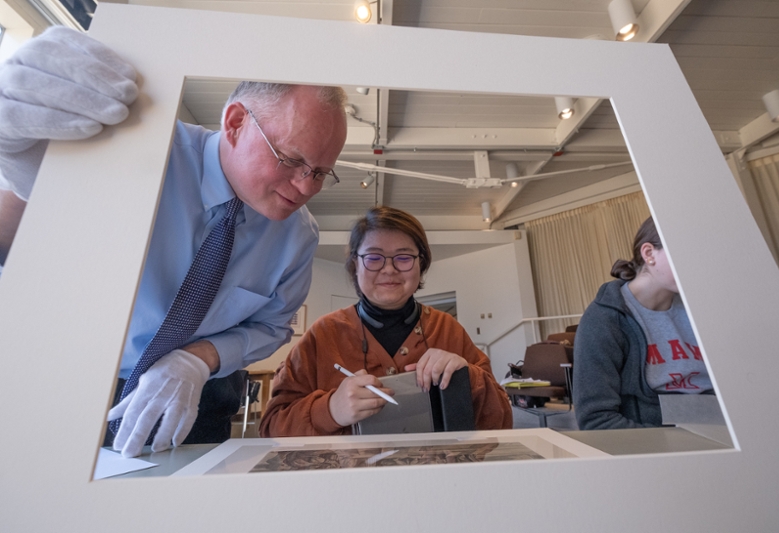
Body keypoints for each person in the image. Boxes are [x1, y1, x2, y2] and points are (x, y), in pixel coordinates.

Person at [0, 27, 348, 456]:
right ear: (236, 123)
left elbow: (272, 326)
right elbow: (18, 234)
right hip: (66, 383)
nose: (306, 186)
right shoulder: (135, 149)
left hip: (197, 400)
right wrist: (17, 152)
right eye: (293, 160)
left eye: (320, 172)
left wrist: (199, 358)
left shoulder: (298, 236)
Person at [260, 206, 512, 437]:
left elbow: (502, 419)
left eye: (403, 257)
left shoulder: (448, 329)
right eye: (373, 257)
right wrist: (329, 410)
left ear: (420, 264)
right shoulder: (322, 335)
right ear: (354, 266)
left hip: (436, 478)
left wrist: (468, 378)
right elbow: (271, 430)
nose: (389, 269)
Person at [573, 216, 713, 430]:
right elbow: (597, 420)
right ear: (649, 254)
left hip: (725, 434)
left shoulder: (704, 308)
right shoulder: (605, 319)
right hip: (661, 447)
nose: (696, 264)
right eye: (684, 252)